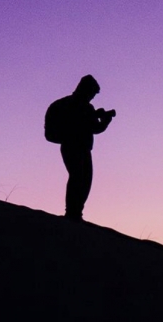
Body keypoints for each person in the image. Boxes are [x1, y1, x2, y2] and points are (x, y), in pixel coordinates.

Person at [57, 75, 114, 221]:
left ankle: (76, 212)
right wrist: (103, 121)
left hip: (84, 148)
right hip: (72, 146)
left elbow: (94, 128)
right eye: (92, 94)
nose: (92, 98)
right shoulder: (70, 105)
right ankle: (72, 213)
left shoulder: (86, 108)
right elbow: (95, 127)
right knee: (77, 178)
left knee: (85, 181)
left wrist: (103, 120)